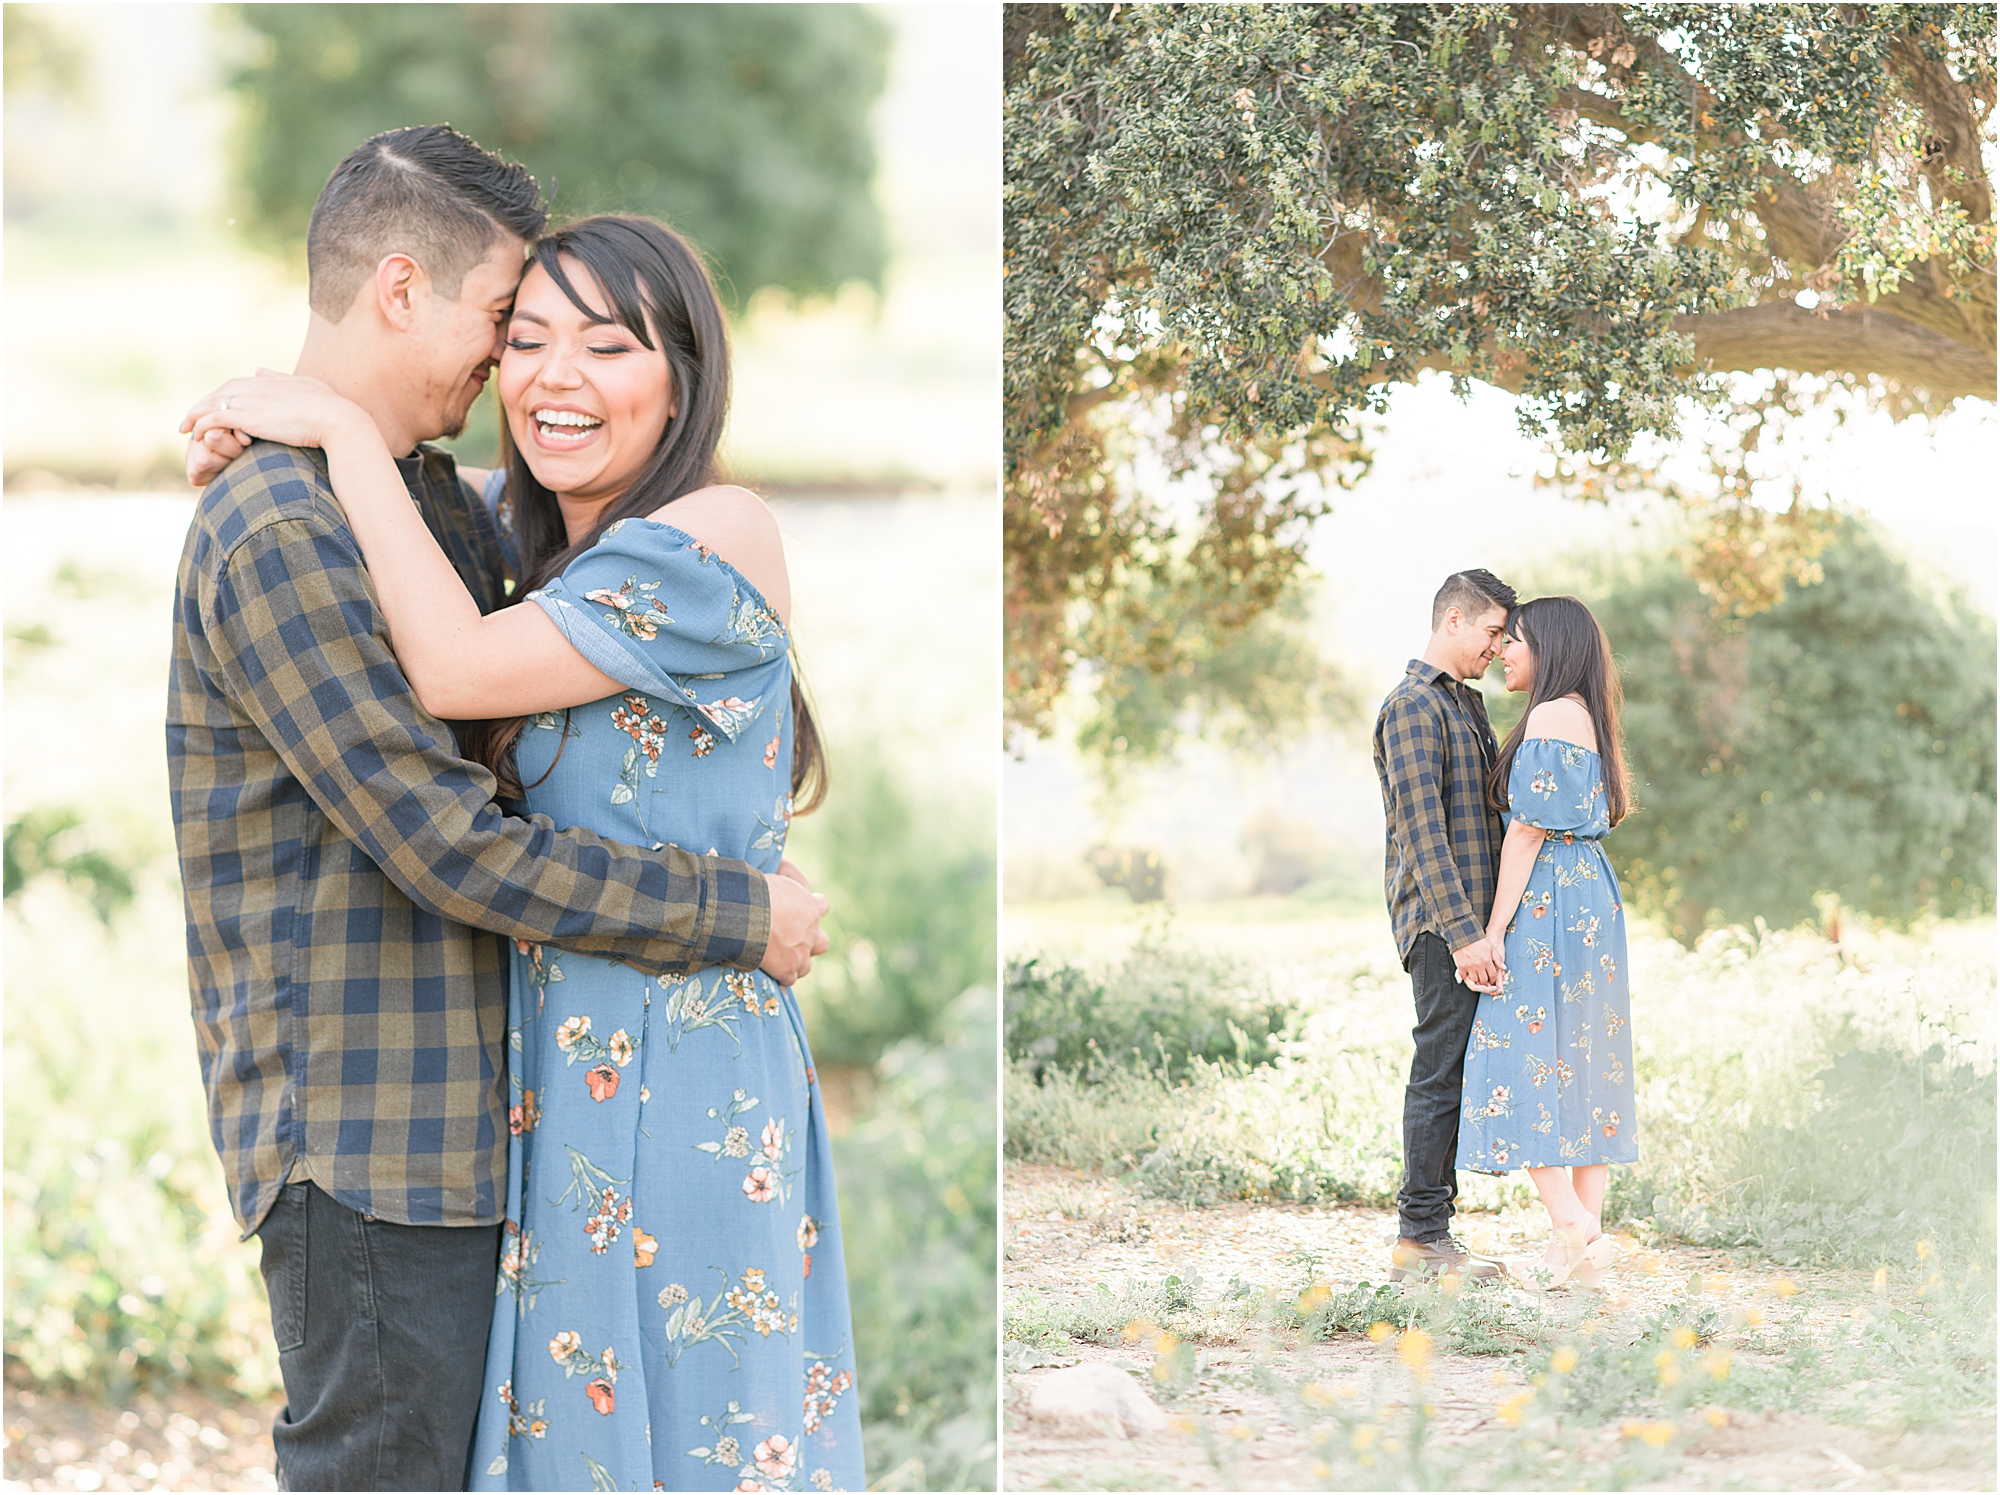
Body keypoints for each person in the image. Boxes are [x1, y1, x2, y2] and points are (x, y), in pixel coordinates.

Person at [170, 127, 829, 1491]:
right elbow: (443, 840)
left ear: (681, 375)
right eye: (513, 327)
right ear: (404, 289)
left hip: (534, 1113)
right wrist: (735, 909)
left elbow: (491, 608)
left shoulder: (436, 510)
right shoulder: (292, 525)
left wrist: (340, 428)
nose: (523, 370)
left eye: (603, 345)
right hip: (373, 1138)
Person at [1456, 595, 1637, 1288]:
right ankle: (1581, 1257)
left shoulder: (1553, 713)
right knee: (1584, 1063)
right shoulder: (1588, 714)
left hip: (1550, 898)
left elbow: (1526, 831)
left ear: (1551, 647)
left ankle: (1572, 1223)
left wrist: (1493, 929)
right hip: (1589, 895)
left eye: (1516, 641)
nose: (1504, 650)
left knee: (1517, 1052)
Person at [1370, 569, 1517, 1282]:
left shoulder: (1467, 707)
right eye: (1491, 630)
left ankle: (1436, 1235)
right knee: (1437, 1073)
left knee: (1454, 1073)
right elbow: (1424, 833)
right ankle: (1420, 1240)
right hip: (1440, 927)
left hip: (1471, 927)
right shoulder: (1412, 708)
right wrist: (1464, 936)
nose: (1498, 645)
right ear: (1452, 620)